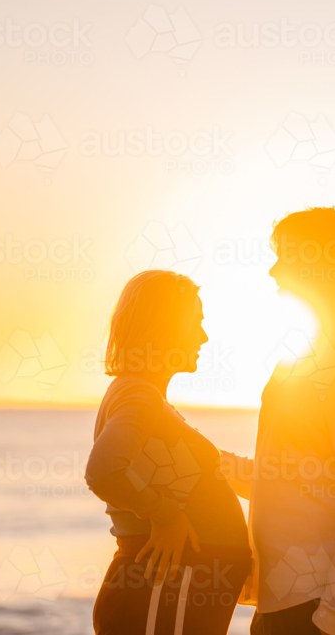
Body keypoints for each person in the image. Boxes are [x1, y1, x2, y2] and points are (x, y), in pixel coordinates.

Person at [220, 207, 335, 635]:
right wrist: (204, 461)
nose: (274, 270)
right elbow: (285, 478)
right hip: (285, 602)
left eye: (285, 256)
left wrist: (334, 615)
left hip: (323, 610)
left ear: (319, 265)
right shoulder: (298, 359)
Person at [86, 270, 251, 635]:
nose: (204, 337)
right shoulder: (138, 395)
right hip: (161, 593)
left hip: (171, 595)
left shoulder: (149, 400)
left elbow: (216, 471)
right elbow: (103, 471)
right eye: (196, 324)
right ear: (165, 327)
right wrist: (164, 515)